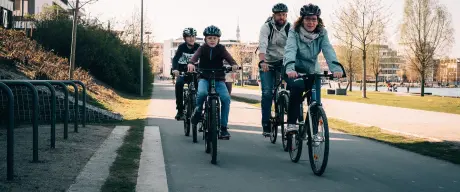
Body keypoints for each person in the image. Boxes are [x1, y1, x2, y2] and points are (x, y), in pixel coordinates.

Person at [283, 4, 343, 133]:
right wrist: (290, 68)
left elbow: (328, 50)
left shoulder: (322, 33)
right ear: (302, 20)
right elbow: (290, 50)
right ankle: (291, 124)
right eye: (308, 19)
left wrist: (336, 68)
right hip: (293, 69)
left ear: (318, 20)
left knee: (315, 98)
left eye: (314, 19)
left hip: (311, 70)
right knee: (297, 88)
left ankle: (313, 130)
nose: (311, 22)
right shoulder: (294, 31)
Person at [188, 25, 239, 139]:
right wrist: (191, 63)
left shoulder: (221, 49)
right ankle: (198, 111)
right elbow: (195, 57)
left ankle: (223, 128)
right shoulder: (202, 48)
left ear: (218, 39)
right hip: (204, 78)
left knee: (226, 99)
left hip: (219, 79)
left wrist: (234, 65)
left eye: (214, 38)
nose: (212, 40)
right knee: (201, 93)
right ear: (205, 39)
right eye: (209, 38)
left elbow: (229, 58)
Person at [258, 3, 291, 136]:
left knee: (292, 90)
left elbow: (294, 46)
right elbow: (262, 45)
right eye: (279, 14)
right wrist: (262, 61)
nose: (281, 17)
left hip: (285, 62)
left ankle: (292, 119)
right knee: (267, 93)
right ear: (274, 15)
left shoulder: (291, 28)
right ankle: (266, 123)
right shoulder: (266, 27)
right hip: (268, 62)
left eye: (284, 14)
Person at [171, 27, 200, 120]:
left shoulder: (198, 47)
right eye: (189, 36)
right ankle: (180, 110)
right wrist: (175, 69)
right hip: (183, 72)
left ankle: (199, 110)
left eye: (193, 36)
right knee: (179, 84)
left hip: (195, 73)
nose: (191, 38)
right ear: (185, 38)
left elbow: (203, 59)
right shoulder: (182, 47)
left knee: (200, 88)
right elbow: (175, 59)